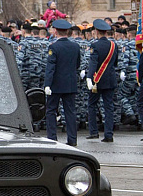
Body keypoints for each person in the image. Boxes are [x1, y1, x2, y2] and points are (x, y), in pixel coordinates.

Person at [44, 19, 80, 147]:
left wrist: (47, 84)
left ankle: (52, 138)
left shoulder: (53, 47)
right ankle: (72, 139)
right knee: (70, 111)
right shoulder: (75, 46)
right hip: (70, 83)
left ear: (55, 31)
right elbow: (77, 65)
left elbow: (51, 67)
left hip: (56, 84)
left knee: (51, 111)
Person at [85, 19, 119, 142]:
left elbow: (93, 63)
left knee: (92, 105)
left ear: (96, 32)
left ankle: (94, 131)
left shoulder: (95, 45)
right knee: (109, 107)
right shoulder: (114, 45)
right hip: (110, 79)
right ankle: (109, 134)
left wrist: (89, 77)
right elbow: (115, 63)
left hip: (97, 80)